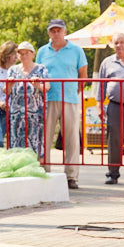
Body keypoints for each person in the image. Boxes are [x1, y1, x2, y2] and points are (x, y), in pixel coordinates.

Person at [36, 18, 87, 188]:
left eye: (59, 30)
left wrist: (74, 91)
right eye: (53, 30)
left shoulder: (77, 50)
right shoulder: (42, 51)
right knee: (45, 137)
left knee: (72, 138)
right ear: (49, 32)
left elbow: (83, 75)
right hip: (47, 98)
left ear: (65, 31)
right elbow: (38, 73)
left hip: (70, 98)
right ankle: (44, 171)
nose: (56, 33)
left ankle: (71, 176)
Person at [6, 41, 50, 159]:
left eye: (27, 53)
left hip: (35, 113)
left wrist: (38, 85)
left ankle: (38, 164)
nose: (24, 56)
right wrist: (9, 85)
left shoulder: (41, 69)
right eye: (21, 53)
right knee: (16, 142)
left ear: (33, 54)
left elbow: (47, 87)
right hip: (16, 114)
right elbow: (6, 91)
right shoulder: (12, 69)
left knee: (36, 141)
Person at [98, 32, 124, 185]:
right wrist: (99, 105)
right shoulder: (107, 62)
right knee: (114, 141)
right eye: (116, 43)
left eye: (122, 42)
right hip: (116, 106)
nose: (119, 45)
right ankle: (113, 174)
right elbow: (101, 86)